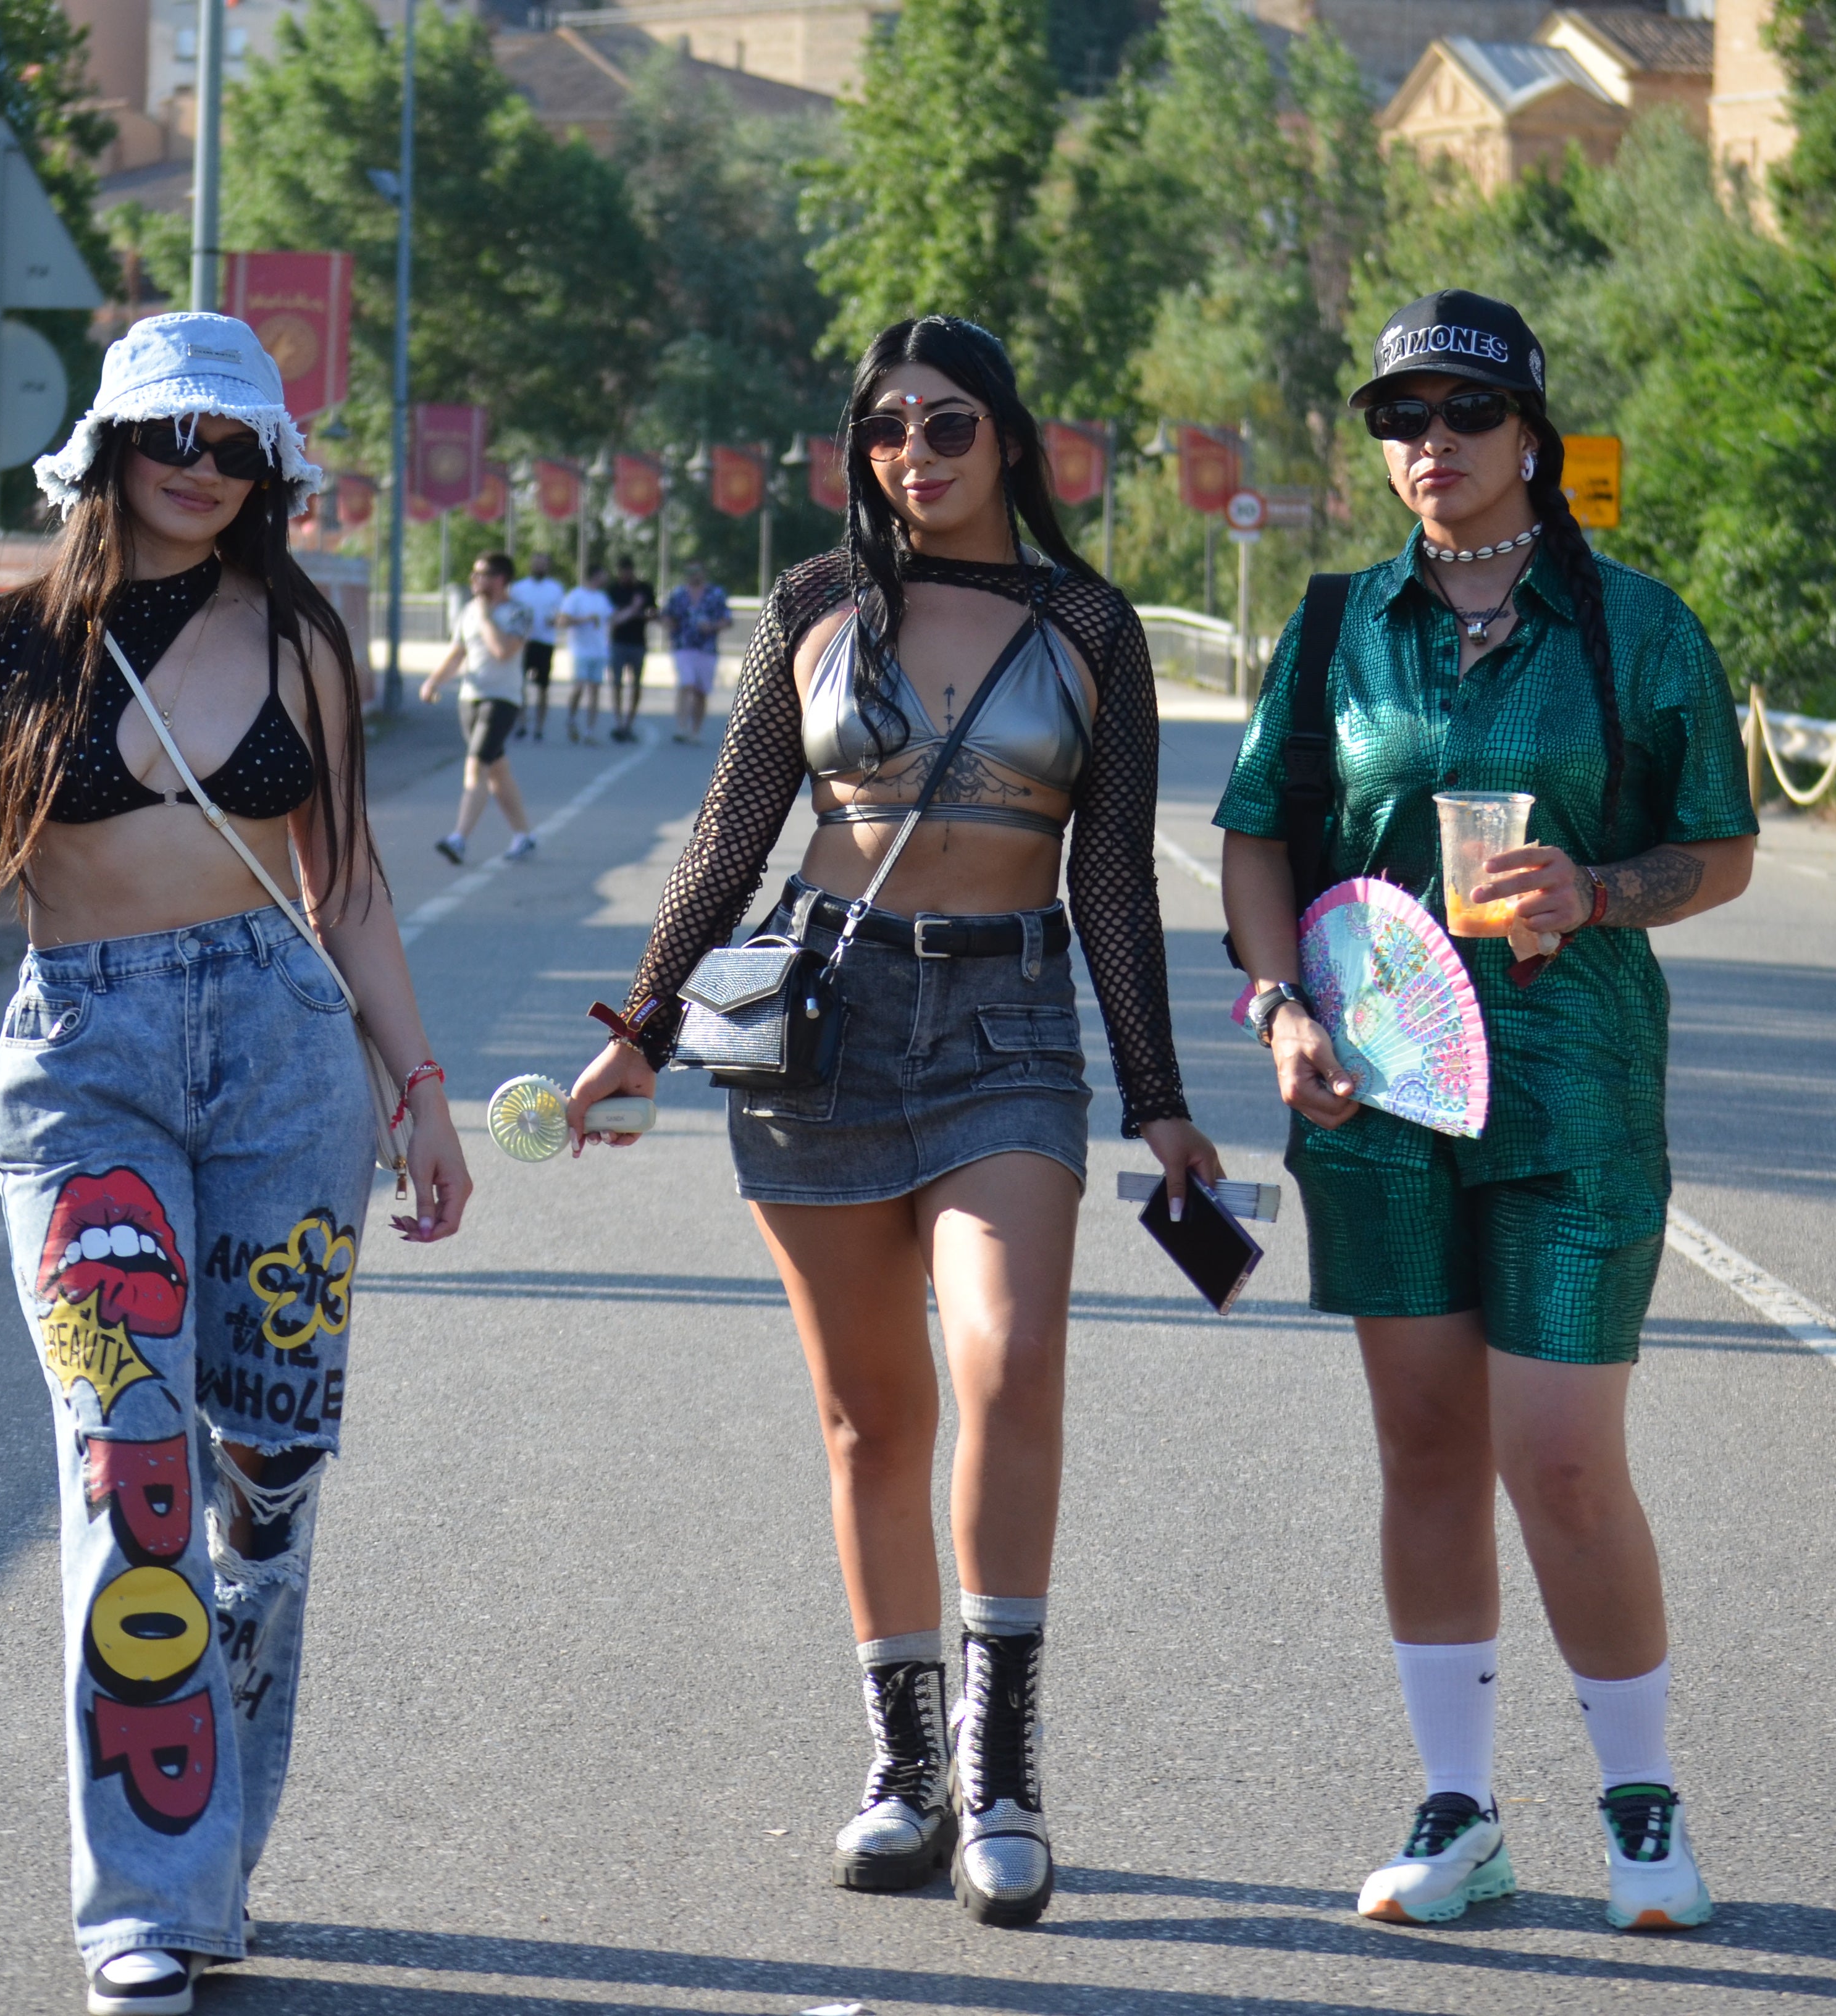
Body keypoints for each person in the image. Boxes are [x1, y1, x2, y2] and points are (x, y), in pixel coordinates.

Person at [566, 316, 1218, 1928]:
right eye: (885, 429)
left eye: (944, 425)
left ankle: (1003, 1774)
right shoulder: (812, 607)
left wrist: (1161, 1102)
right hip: (824, 1036)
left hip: (1008, 1023)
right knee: (869, 1415)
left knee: (1005, 1359)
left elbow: (1114, 877)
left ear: (1008, 434)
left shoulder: (1089, 626)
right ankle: (905, 1766)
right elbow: (734, 831)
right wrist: (644, 1024)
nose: (912, 455)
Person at [0, 313, 474, 2015]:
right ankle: (141, 1892)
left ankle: (213, 1860)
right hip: (86, 1067)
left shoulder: (302, 635)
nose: (201, 471)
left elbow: (348, 884)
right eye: (175, 436)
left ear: (268, 471)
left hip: (288, 1056)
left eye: (234, 448)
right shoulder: (8, 646)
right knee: (130, 1471)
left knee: (264, 1493)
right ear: (112, 444)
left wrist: (419, 1088)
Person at [1214, 291, 1755, 1934]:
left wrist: (1596, 885)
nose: (1427, 445)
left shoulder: (1635, 627)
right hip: (1379, 1092)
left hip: (1577, 1091)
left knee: (1563, 1460)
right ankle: (1459, 1814)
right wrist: (1275, 1003)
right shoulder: (1334, 629)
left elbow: (1719, 846)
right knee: (1426, 1445)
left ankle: (1642, 1807)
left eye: (1459, 414)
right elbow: (1258, 833)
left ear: (1531, 433)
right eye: (1397, 420)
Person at [419, 550, 541, 865]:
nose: (474, 579)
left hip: (502, 700)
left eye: (482, 574)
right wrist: (433, 681)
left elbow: (503, 651)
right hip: (470, 699)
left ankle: (459, 839)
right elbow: (458, 653)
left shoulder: (519, 612)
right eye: (474, 573)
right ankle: (524, 835)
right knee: (497, 771)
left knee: (476, 765)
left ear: (500, 579)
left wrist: (486, 615)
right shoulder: (469, 610)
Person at [662, 560, 729, 744]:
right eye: (690, 571)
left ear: (703, 573)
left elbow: (727, 619)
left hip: (707, 649)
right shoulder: (678, 594)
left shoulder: (716, 594)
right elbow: (667, 616)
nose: (693, 575)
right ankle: (681, 727)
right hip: (684, 646)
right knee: (686, 683)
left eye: (697, 571)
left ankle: (695, 731)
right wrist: (670, 626)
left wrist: (712, 626)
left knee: (701, 691)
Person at [557, 566, 616, 742]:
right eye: (602, 575)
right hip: (580, 649)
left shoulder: (602, 598)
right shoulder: (576, 596)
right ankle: (572, 718)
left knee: (595, 690)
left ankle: (590, 731)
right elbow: (562, 620)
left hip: (599, 650)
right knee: (579, 687)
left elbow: (611, 618)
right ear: (595, 576)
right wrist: (585, 619)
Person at [508, 558, 566, 739]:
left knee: (543, 687)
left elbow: (561, 613)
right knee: (520, 684)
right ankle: (522, 723)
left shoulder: (555, 588)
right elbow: (512, 612)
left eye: (543, 564)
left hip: (545, 641)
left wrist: (555, 620)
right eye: (537, 564)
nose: (540, 567)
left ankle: (539, 727)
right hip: (524, 642)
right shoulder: (519, 588)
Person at [604, 564, 654, 741]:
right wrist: (634, 609)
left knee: (636, 685)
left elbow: (652, 613)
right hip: (618, 643)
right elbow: (613, 618)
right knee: (616, 683)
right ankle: (618, 723)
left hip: (638, 643)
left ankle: (629, 723)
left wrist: (640, 612)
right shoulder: (613, 591)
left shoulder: (644, 589)